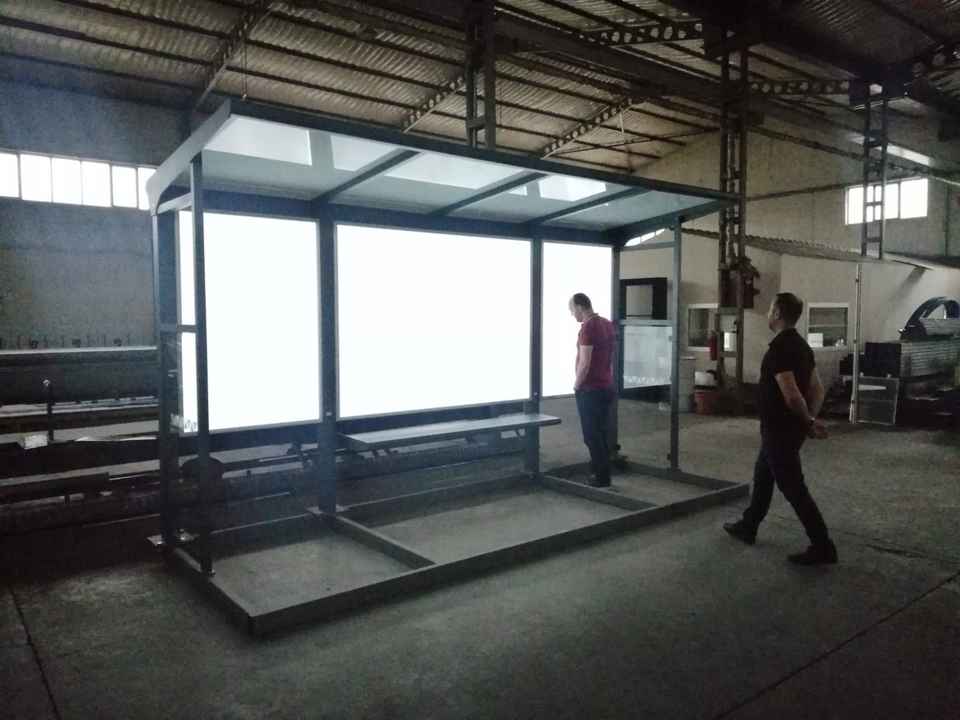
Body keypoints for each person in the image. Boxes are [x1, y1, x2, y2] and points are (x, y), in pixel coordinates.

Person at [724, 292, 838, 565]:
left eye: (770, 309)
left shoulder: (779, 350)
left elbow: (792, 394)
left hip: (779, 431)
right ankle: (749, 525)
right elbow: (817, 389)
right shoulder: (802, 347)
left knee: (793, 487)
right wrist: (807, 421)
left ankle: (823, 546)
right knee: (763, 476)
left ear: (777, 314)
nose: (768, 313)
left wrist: (807, 421)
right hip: (787, 430)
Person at [569, 293, 616, 488]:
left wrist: (577, 385)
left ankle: (600, 477)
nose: (572, 314)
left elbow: (585, 362)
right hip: (606, 386)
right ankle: (601, 473)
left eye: (572, 310)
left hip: (590, 389)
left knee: (591, 435)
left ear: (580, 307)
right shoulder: (606, 324)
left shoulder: (588, 328)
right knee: (602, 432)